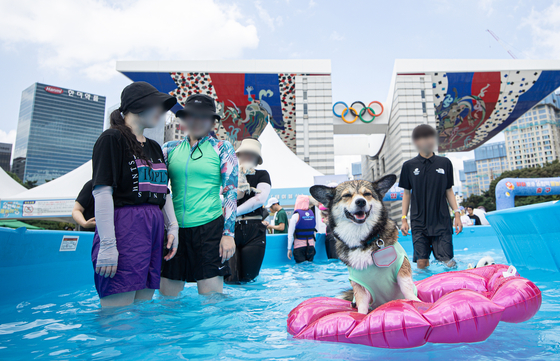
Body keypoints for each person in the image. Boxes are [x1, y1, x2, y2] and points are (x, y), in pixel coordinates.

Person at [91, 81, 179, 308]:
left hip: (154, 229)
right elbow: (102, 192)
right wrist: (108, 245)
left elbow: (164, 191)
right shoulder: (112, 139)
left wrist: (173, 227)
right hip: (126, 227)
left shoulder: (154, 146)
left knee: (143, 310)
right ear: (138, 105)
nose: (162, 111)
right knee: (117, 315)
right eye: (157, 105)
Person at [160, 94, 237, 296]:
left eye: (204, 117)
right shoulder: (169, 149)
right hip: (174, 231)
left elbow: (230, 193)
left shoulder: (222, 148)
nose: (197, 121)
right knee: (168, 303)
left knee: (212, 302)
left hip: (209, 230)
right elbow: (160, 190)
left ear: (212, 121)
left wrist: (228, 234)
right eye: (192, 116)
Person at [399, 124, 462, 269]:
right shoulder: (408, 166)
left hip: (441, 220)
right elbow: (406, 193)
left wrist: (457, 214)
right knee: (422, 262)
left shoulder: (444, 163)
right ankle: (422, 290)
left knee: (448, 262)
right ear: (417, 142)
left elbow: (449, 191)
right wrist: (404, 219)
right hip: (418, 221)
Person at [227, 138, 271, 283]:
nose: (247, 156)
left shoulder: (262, 174)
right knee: (229, 278)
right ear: (238, 155)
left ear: (258, 159)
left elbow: (261, 199)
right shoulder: (228, 175)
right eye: (244, 153)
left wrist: (232, 213)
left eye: (252, 154)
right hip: (229, 229)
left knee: (249, 278)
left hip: (254, 230)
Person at [287, 195, 317, 263]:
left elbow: (290, 234)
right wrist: (313, 245)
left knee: (300, 269)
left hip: (299, 247)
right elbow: (314, 232)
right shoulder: (312, 214)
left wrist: (289, 249)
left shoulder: (295, 216)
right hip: (311, 247)